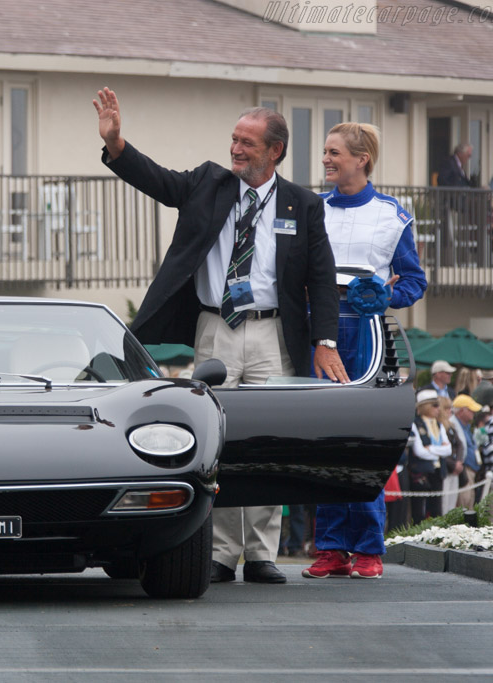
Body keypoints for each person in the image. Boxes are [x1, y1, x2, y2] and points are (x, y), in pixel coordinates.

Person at [94, 88, 346, 585]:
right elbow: (157, 180)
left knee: (266, 442)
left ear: (275, 151)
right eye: (233, 139)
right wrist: (117, 144)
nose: (236, 149)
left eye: (247, 142)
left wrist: (326, 340)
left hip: (274, 333)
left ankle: (262, 554)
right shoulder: (207, 183)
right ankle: (223, 553)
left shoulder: (302, 204)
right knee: (219, 441)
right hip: (216, 329)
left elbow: (321, 276)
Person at [302, 122, 426, 580]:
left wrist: (383, 297)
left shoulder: (393, 215)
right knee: (325, 439)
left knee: (365, 439)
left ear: (362, 159)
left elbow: (414, 281)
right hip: (321, 335)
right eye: (326, 152)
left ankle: (370, 548)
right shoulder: (313, 210)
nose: (326, 160)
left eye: (334, 152)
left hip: (369, 338)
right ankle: (332, 547)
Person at [408, 389, 451, 522]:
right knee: (419, 511)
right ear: (425, 406)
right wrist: (439, 451)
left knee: (436, 510)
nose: (438, 409)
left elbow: (448, 450)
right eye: (435, 405)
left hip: (437, 472)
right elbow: (419, 451)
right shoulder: (415, 424)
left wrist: (431, 449)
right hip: (422, 473)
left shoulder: (439, 425)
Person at [452, 394, 484, 509]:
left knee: (469, 503)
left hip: (471, 471)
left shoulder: (466, 426)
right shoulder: (454, 424)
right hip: (464, 469)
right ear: (461, 411)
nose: (473, 413)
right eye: (470, 410)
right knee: (463, 504)